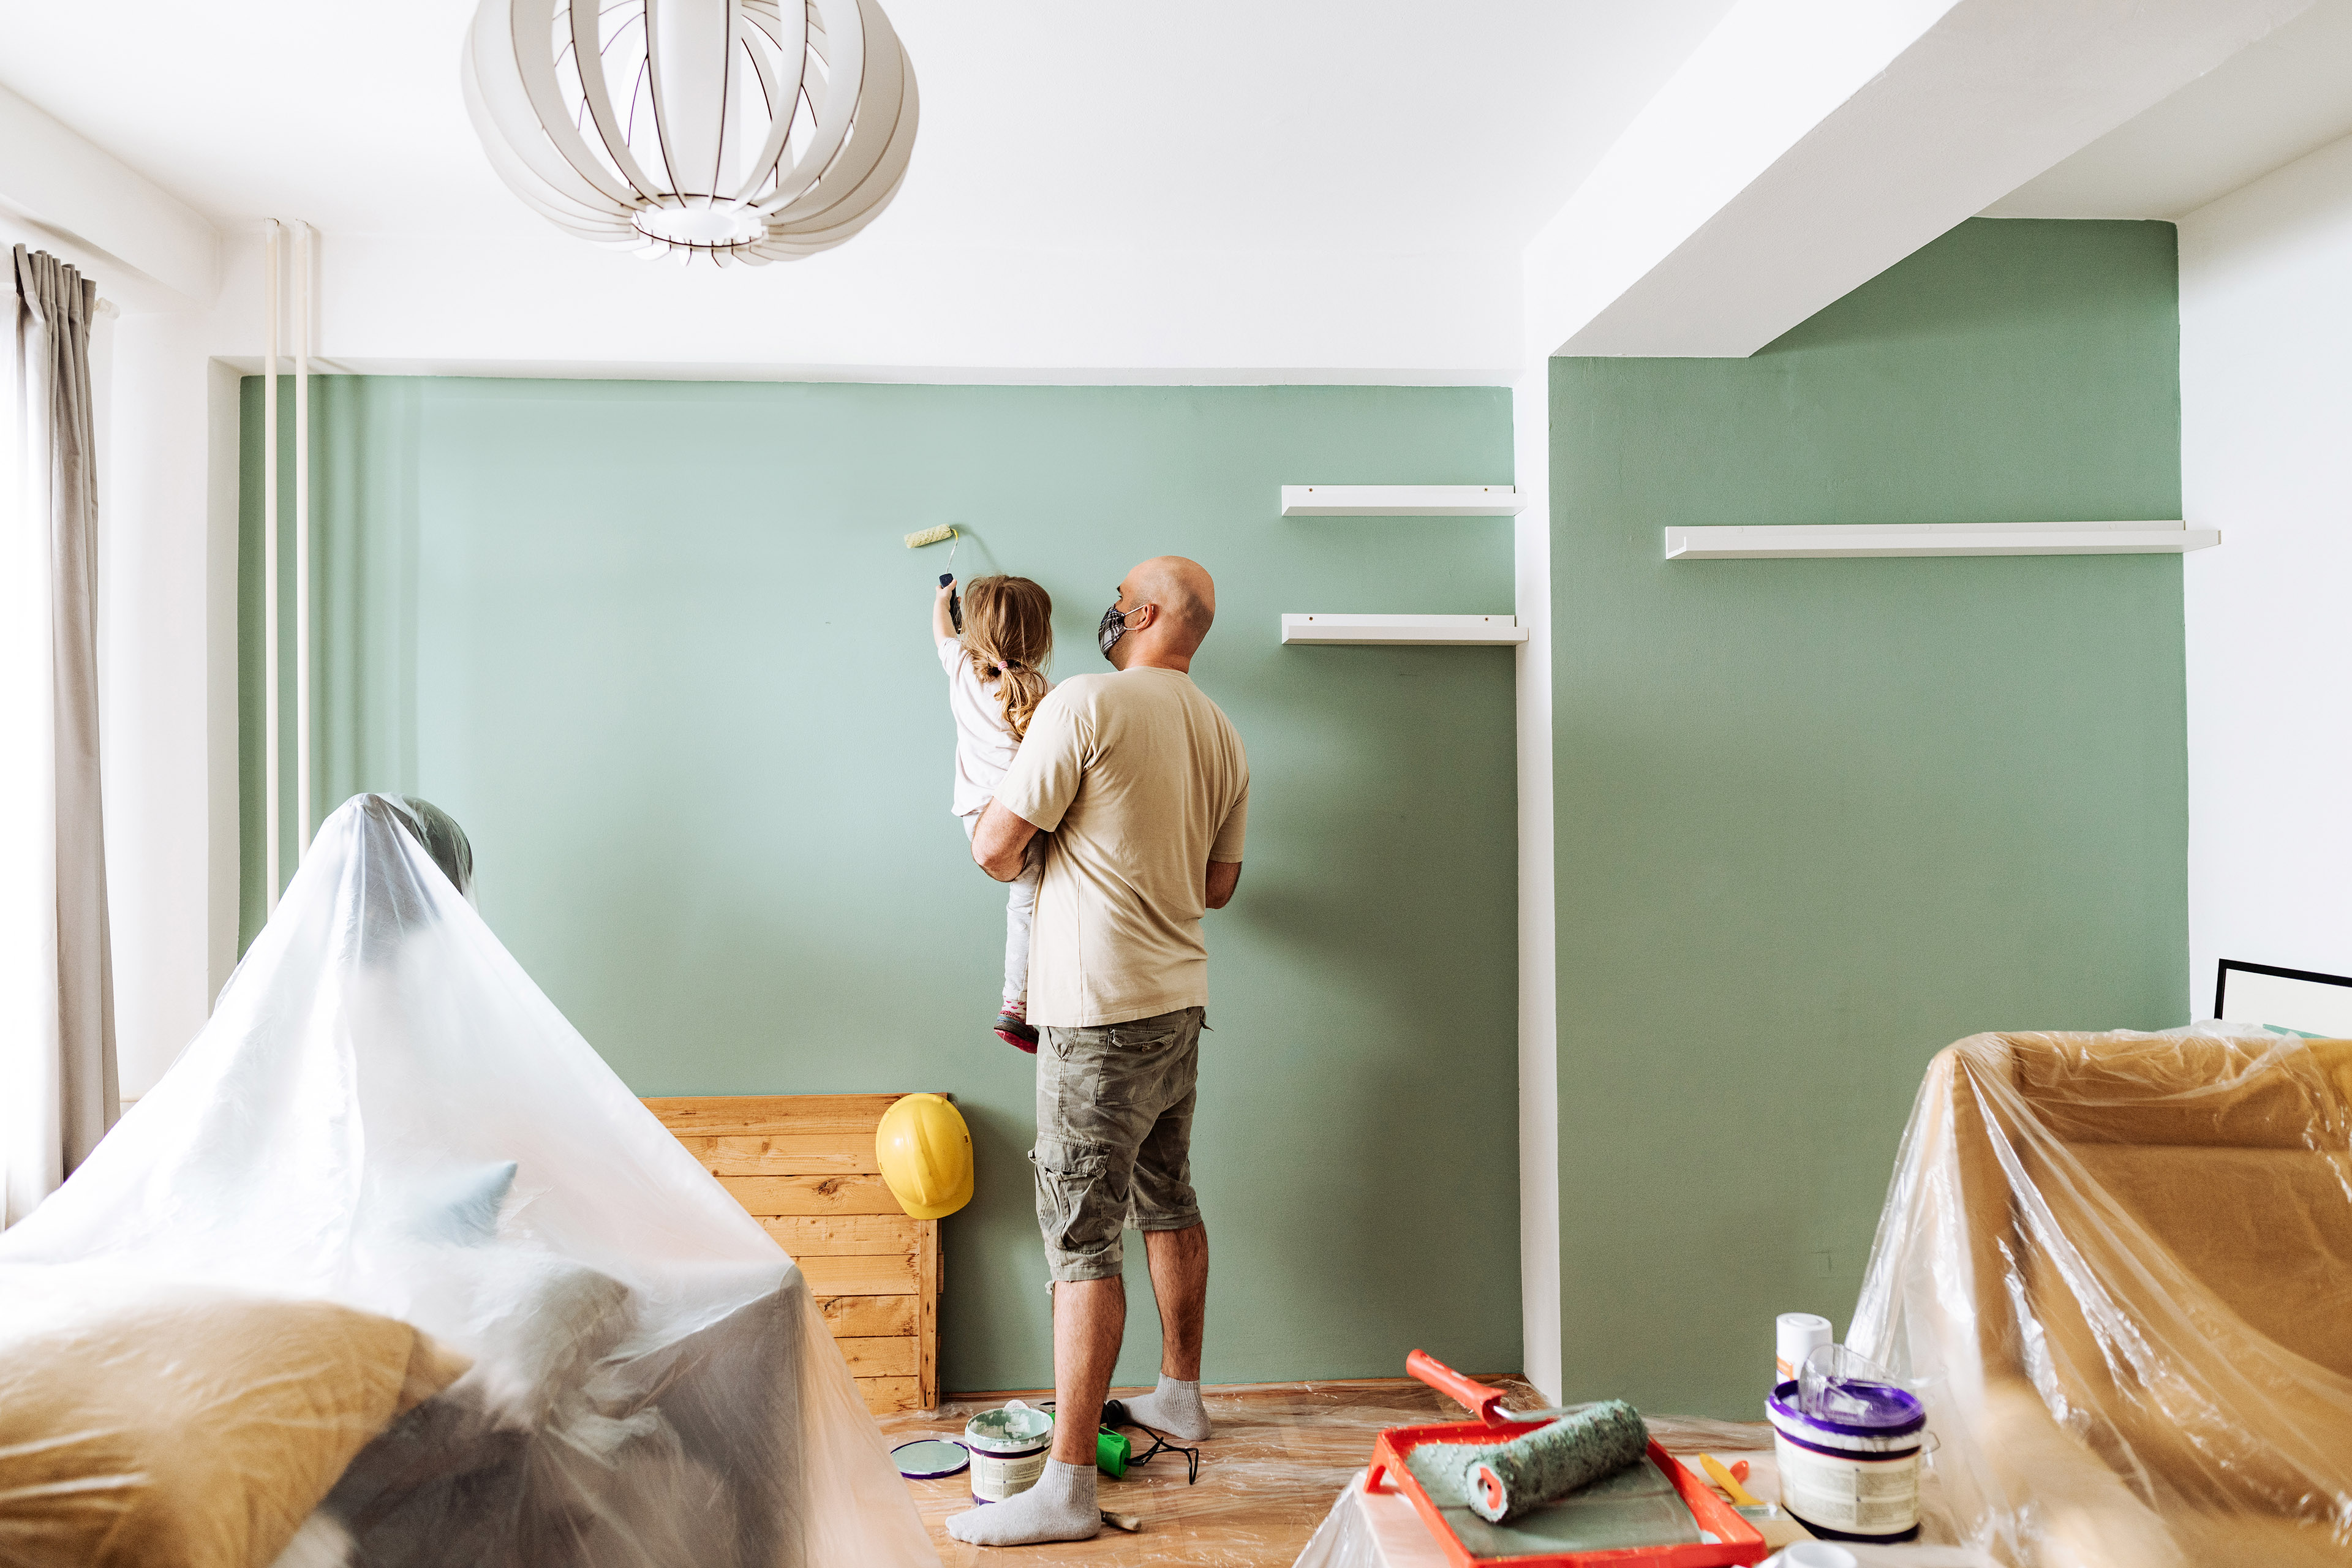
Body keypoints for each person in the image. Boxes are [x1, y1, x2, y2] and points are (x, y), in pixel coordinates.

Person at [947, 556, 1249, 1548]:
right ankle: (1181, 1397)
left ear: (1150, 614)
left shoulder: (1087, 702)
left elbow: (996, 849)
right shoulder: (1223, 733)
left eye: (1122, 597)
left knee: (1081, 1240)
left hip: (1098, 1016)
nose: (1110, 613)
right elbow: (1218, 887)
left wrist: (1049, 835)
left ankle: (1068, 1487)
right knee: (1169, 1199)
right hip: (1176, 1004)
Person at [932, 572, 1057, 1050]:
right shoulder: (1043, 692)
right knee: (1028, 908)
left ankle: (1018, 1004)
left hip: (974, 819)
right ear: (1040, 638)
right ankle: (1018, 1007)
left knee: (1025, 905)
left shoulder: (961, 668)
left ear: (975, 632)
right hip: (1020, 818)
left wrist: (943, 601)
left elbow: (943, 633)